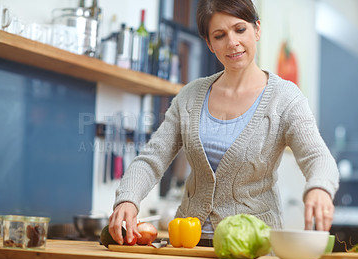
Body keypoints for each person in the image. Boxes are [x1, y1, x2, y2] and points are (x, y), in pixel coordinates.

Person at [109, 0, 339, 246]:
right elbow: (152, 158)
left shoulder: (285, 99)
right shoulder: (190, 96)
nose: (232, 43)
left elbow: (318, 157)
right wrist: (128, 199)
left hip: (254, 246)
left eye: (240, 29)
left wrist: (319, 188)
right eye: (220, 35)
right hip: (189, 244)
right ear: (209, 44)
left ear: (256, 29)